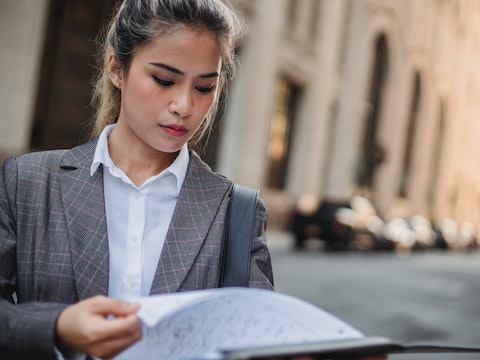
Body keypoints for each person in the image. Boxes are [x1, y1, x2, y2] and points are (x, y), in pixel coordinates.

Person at [0, 0, 273, 359]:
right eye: (164, 80)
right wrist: (58, 326)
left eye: (205, 87)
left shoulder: (237, 211)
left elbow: (263, 334)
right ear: (116, 68)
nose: (184, 105)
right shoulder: (28, 183)